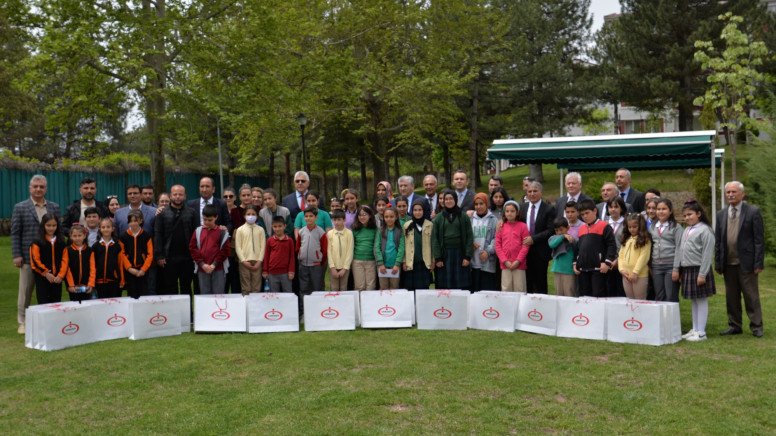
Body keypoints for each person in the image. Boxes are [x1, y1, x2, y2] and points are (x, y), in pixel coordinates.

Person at [11, 175, 61, 333]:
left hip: (50, 258)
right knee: (25, 291)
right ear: (30, 188)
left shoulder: (54, 207)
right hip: (28, 258)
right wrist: (17, 254)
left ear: (46, 188)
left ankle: (49, 319)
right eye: (35, 186)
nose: (38, 189)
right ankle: (22, 322)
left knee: (47, 291)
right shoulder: (20, 207)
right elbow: (15, 233)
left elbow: (59, 231)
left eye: (41, 186)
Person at [716, 181, 765, 337]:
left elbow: (759, 240)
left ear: (742, 194)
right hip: (728, 263)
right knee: (731, 297)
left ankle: (756, 326)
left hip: (747, 263)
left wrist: (758, 263)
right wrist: (718, 263)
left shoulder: (753, 212)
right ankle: (734, 325)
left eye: (734, 192)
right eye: (728, 192)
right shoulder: (721, 214)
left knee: (751, 296)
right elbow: (718, 241)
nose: (730, 194)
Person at [674, 200, 716, 342]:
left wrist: (702, 274)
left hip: (699, 269)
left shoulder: (705, 230)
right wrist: (680, 269)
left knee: (701, 300)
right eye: (685, 215)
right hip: (688, 269)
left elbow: (707, 254)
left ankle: (702, 333)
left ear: (698, 214)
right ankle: (695, 329)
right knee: (694, 300)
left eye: (690, 214)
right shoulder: (687, 229)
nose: (687, 218)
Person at [154, 185, 197, 296]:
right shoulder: (162, 213)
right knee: (170, 288)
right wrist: (159, 256)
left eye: (180, 194)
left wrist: (195, 255)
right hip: (168, 257)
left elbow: (195, 234)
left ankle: (187, 308)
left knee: (186, 287)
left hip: (187, 257)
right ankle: (173, 308)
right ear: (170, 196)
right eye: (175, 194)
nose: (178, 197)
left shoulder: (192, 212)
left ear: (185, 196)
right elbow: (158, 235)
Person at [574, 199, 617, 298]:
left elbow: (611, 245)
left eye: (587, 213)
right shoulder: (581, 228)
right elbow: (578, 248)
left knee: (598, 296)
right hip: (583, 270)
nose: (584, 216)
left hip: (599, 269)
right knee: (584, 297)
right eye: (582, 214)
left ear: (594, 211)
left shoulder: (604, 226)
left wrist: (607, 263)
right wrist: (575, 263)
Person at [432, 189, 474, 289]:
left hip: (460, 254)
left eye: (451, 198)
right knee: (446, 284)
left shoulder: (463, 216)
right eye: (446, 199)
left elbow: (469, 237)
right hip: (444, 255)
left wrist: (467, 256)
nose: (448, 201)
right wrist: (438, 258)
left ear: (455, 199)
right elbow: (435, 239)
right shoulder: (438, 218)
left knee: (460, 284)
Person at [519, 181, 556, 294]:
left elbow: (551, 230)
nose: (532, 193)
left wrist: (533, 239)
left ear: (541, 192)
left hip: (541, 251)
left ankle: (541, 303)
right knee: (527, 282)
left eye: (535, 191)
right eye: (529, 191)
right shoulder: (522, 208)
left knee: (540, 283)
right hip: (524, 251)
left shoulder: (549, 209)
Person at [189, 204, 231, 295]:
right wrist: (202, 264)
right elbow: (193, 248)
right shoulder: (198, 231)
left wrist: (214, 264)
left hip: (218, 268)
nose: (207, 222)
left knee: (218, 294)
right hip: (202, 268)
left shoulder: (222, 232)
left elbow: (225, 250)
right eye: (205, 219)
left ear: (216, 217)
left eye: (210, 220)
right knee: (205, 294)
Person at [649, 198, 683, 302]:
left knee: (670, 296)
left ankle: (672, 314)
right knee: (659, 296)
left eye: (664, 209)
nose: (661, 211)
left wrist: (676, 269)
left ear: (670, 211)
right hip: (656, 266)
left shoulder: (676, 227)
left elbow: (679, 248)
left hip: (671, 266)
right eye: (658, 209)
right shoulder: (652, 227)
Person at [29, 213, 67, 304]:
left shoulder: (61, 241)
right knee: (43, 304)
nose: (51, 228)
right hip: (42, 278)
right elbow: (35, 261)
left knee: (56, 304)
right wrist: (46, 273)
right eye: (48, 225)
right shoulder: (37, 241)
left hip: (57, 279)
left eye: (54, 225)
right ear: (43, 225)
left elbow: (65, 260)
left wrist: (61, 275)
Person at [495, 200, 530, 292]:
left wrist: (518, 261)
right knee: (506, 289)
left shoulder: (523, 226)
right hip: (505, 265)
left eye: (512, 211)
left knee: (519, 289)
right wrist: (505, 261)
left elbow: (525, 246)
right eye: (507, 211)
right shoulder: (500, 227)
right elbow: (497, 245)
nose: (509, 213)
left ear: (517, 213)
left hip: (519, 265)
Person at [119, 210, 154, 299]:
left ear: (141, 221)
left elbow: (150, 254)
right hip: (129, 271)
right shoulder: (123, 236)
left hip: (143, 271)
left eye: (135, 221)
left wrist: (143, 269)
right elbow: (122, 254)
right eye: (130, 221)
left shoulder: (146, 236)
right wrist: (129, 268)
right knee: (131, 294)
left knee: (144, 294)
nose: (133, 223)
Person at [619, 213, 652, 300]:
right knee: (630, 300)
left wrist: (635, 272)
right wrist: (621, 269)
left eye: (634, 227)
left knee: (640, 301)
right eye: (629, 227)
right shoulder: (626, 239)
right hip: (626, 275)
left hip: (639, 275)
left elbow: (643, 257)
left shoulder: (645, 240)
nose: (631, 229)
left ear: (640, 226)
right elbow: (621, 255)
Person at [402, 199, 434, 291]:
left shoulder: (430, 225)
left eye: (420, 210)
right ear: (412, 211)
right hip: (411, 262)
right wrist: (404, 261)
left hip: (424, 262)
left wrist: (433, 260)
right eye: (415, 210)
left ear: (424, 211)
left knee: (424, 289)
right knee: (411, 289)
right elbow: (404, 244)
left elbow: (433, 244)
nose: (417, 212)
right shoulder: (407, 225)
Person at [234, 206, 266, 295]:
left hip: (257, 262)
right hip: (244, 262)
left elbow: (263, 246)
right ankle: (246, 302)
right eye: (248, 214)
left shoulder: (260, 229)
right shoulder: (240, 230)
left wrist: (259, 261)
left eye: (253, 214)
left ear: (257, 216)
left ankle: (255, 303)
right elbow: (238, 247)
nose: (251, 216)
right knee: (245, 287)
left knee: (256, 286)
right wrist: (243, 260)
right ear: (244, 216)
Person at [470, 193, 498, 292]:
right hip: (472, 263)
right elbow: (465, 236)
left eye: (481, 204)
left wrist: (488, 251)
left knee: (486, 293)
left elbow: (496, 238)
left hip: (487, 263)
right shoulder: (470, 219)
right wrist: (470, 243)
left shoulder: (494, 220)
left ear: (487, 204)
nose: (478, 206)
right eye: (476, 204)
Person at [296, 207, 328, 296]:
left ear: (316, 217)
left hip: (316, 266)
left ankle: (317, 304)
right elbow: (298, 247)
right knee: (304, 287)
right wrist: (300, 256)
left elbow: (324, 250)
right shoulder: (301, 231)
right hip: (303, 265)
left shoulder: (321, 232)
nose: (308, 218)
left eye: (311, 216)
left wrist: (320, 261)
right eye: (306, 216)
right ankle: (303, 305)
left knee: (317, 288)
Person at [93, 218, 125, 298]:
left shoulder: (118, 245)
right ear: (100, 229)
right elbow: (92, 265)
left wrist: (122, 279)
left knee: (115, 303)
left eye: (108, 227)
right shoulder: (95, 246)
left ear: (112, 229)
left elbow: (121, 263)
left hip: (114, 282)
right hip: (99, 282)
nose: (106, 229)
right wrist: (92, 280)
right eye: (103, 227)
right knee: (101, 303)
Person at [263, 216, 296, 292]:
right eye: (275, 226)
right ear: (272, 227)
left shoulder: (289, 240)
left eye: (280, 226)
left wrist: (291, 271)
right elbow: (266, 256)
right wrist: (265, 270)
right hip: (272, 273)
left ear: (284, 226)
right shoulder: (270, 240)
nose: (277, 229)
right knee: (274, 294)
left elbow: (292, 257)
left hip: (286, 273)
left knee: (288, 293)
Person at [63, 224, 96, 302]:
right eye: (74, 236)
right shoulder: (67, 250)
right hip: (73, 286)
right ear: (70, 236)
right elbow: (67, 269)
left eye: (79, 235)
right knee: (74, 306)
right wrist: (70, 284)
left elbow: (92, 268)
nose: (77, 238)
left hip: (86, 285)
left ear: (84, 236)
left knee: (86, 305)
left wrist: (91, 284)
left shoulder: (90, 250)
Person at [375, 207, 405, 290]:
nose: (389, 219)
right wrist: (380, 263)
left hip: (395, 266)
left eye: (391, 217)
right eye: (386, 217)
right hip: (382, 266)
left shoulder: (400, 231)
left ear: (396, 217)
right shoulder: (380, 230)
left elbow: (401, 248)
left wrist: (397, 264)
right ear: (383, 218)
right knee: (383, 288)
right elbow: (376, 247)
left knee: (394, 288)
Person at [351, 205, 378, 290]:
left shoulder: (375, 229)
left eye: (364, 214)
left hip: (371, 260)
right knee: (359, 286)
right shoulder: (354, 228)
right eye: (360, 215)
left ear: (370, 215)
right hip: (357, 260)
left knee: (371, 286)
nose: (362, 217)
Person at [605, 196, 627, 297]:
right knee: (609, 291)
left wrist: (618, 260)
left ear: (621, 208)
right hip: (607, 262)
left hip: (622, 261)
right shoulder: (604, 223)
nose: (613, 209)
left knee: (621, 291)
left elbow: (627, 244)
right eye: (611, 207)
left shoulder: (626, 223)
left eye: (616, 207)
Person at [548, 217, 576, 297]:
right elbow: (552, 244)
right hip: (557, 270)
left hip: (569, 271)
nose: (559, 232)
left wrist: (569, 239)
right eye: (556, 230)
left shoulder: (571, 239)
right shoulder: (553, 238)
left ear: (568, 228)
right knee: (558, 294)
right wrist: (563, 236)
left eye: (561, 230)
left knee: (569, 293)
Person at [327, 209, 353, 292]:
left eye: (339, 220)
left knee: (343, 288)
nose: (336, 222)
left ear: (344, 220)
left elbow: (350, 251)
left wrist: (345, 268)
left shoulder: (349, 233)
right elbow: (329, 252)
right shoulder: (330, 234)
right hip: (333, 267)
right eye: (334, 220)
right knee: (334, 288)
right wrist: (332, 267)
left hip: (344, 267)